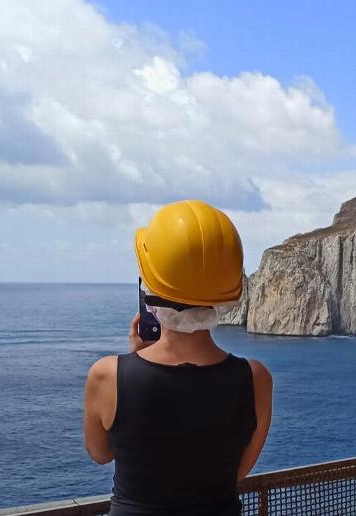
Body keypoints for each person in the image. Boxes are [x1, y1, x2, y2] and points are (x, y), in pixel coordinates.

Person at [83, 200, 273, 516]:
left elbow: (101, 453)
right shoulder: (256, 378)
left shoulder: (108, 375)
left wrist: (137, 362)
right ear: (228, 295)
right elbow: (234, 473)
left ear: (150, 294)